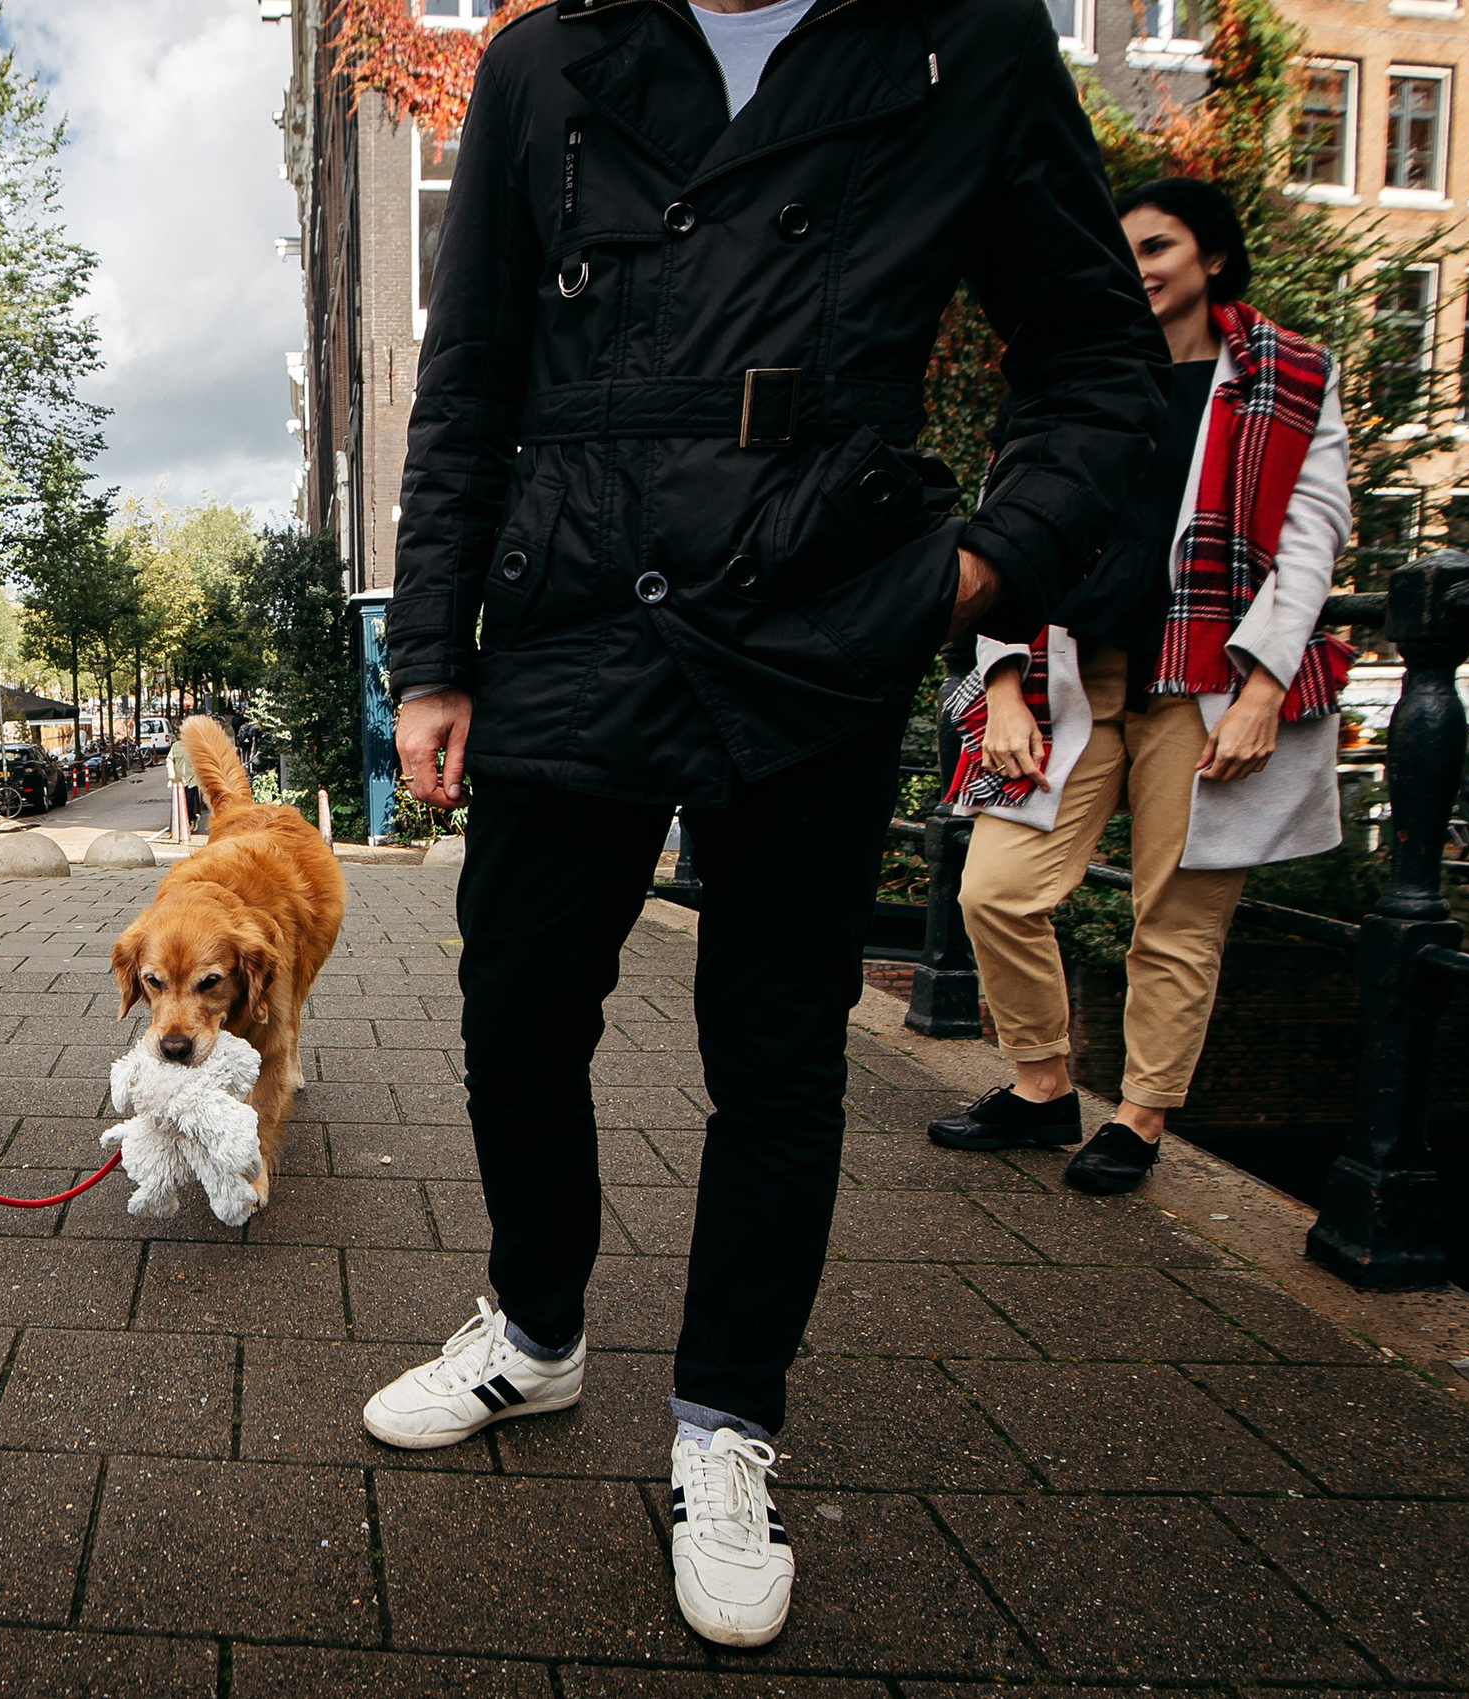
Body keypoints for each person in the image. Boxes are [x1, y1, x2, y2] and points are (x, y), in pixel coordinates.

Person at [371, 0, 1165, 1650]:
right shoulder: (542, 62)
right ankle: (536, 1322)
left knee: (779, 1047)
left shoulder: (968, 45)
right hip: (574, 603)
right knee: (516, 1005)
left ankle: (727, 1420)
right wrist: (432, 651)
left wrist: (969, 572)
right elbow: (469, 385)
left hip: (817, 610)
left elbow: (1096, 362)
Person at [931, 177, 1354, 1195]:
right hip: (1075, 671)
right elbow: (1004, 531)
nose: (1138, 268)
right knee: (994, 888)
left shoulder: (1289, 375)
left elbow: (1311, 538)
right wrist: (1002, 690)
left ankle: (1140, 1117)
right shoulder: (1065, 370)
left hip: (1209, 682)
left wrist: (1263, 687)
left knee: (1176, 914)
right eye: (1120, 251)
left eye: (1158, 246)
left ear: (1213, 258)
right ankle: (1041, 1087)